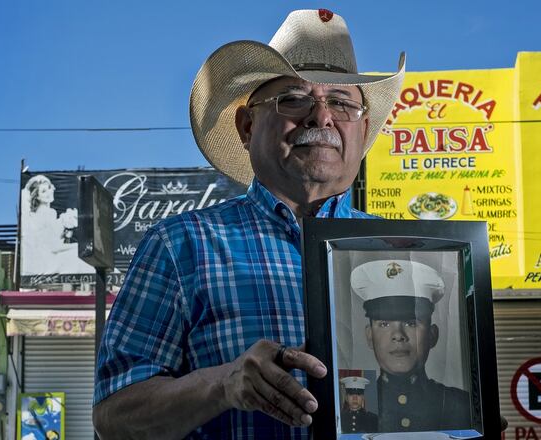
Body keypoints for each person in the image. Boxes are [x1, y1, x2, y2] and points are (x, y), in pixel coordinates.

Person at [91, 8, 405, 440]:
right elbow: (114, 420)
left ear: (363, 128)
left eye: (341, 102)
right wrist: (222, 384)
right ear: (246, 125)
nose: (321, 117)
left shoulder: (400, 251)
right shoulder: (180, 246)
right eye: (294, 98)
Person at [350, 259, 471, 432]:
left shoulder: (462, 406)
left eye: (411, 323)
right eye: (384, 324)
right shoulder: (352, 411)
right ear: (369, 336)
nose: (398, 335)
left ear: (432, 335)